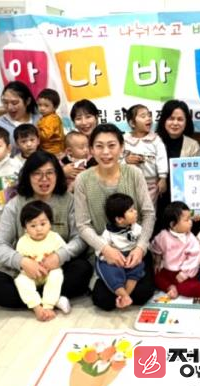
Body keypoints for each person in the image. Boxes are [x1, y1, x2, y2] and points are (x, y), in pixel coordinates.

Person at [0, 151, 92, 309]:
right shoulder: (15, 204)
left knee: (83, 269)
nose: (44, 179)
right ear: (27, 176)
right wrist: (22, 262)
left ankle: (35, 299)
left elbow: (79, 238)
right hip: (24, 272)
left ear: (58, 175)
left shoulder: (69, 201)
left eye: (49, 173)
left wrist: (59, 256)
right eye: (37, 174)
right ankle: (51, 299)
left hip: (57, 269)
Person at [74, 123, 156, 311]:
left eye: (111, 145)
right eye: (99, 146)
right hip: (105, 251)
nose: (106, 152)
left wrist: (141, 248)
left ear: (122, 147)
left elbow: (148, 214)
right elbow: (83, 225)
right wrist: (105, 249)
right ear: (91, 150)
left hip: (134, 247)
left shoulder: (134, 173)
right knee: (103, 299)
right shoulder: (82, 180)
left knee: (142, 293)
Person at [14, 200, 71, 321]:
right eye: (33, 226)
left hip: (49, 272)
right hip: (31, 275)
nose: (39, 229)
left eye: (43, 224)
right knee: (20, 280)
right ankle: (36, 307)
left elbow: (65, 253)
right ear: (25, 228)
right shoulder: (22, 242)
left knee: (57, 274)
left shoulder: (55, 237)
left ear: (50, 224)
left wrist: (56, 260)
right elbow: (21, 262)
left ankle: (48, 306)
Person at [151, 201, 200, 299]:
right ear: (173, 224)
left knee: (185, 288)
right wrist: (157, 260)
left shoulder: (190, 238)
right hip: (168, 271)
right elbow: (156, 247)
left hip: (185, 273)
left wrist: (185, 273)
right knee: (157, 278)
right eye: (187, 220)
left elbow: (195, 257)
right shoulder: (163, 235)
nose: (191, 222)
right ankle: (171, 287)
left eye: (190, 218)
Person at [155, 99, 200, 227]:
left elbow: (197, 178)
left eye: (180, 119)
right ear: (164, 120)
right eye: (171, 118)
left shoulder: (193, 145)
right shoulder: (152, 141)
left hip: (183, 204)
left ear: (186, 122)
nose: (175, 123)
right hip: (156, 200)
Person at [97, 193, 145, 309]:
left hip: (131, 256)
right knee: (108, 270)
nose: (136, 212)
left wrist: (138, 252)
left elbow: (144, 242)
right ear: (119, 219)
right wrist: (107, 259)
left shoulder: (137, 228)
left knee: (137, 268)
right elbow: (100, 250)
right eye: (131, 211)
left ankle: (126, 295)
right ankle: (123, 294)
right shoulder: (108, 233)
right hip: (114, 259)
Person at [121, 104, 168, 204]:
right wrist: (126, 160)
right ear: (132, 123)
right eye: (143, 116)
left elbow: (162, 158)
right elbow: (117, 159)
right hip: (129, 182)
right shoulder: (124, 140)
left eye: (149, 115)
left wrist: (163, 178)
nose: (148, 118)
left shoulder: (156, 139)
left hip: (151, 184)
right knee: (131, 207)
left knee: (149, 208)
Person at [0, 81, 40, 149]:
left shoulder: (41, 120)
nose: (9, 107)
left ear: (28, 101)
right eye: (5, 102)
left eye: (14, 102)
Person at [64, 100, 100, 184]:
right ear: (73, 122)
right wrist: (63, 172)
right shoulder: (69, 141)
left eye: (88, 117)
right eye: (78, 118)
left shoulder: (106, 139)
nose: (84, 122)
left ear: (96, 117)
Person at [36, 88, 65, 155]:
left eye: (46, 106)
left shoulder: (52, 119)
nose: (42, 108)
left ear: (55, 107)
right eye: (39, 105)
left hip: (53, 151)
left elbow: (45, 135)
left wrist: (34, 132)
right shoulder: (45, 117)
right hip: (47, 149)